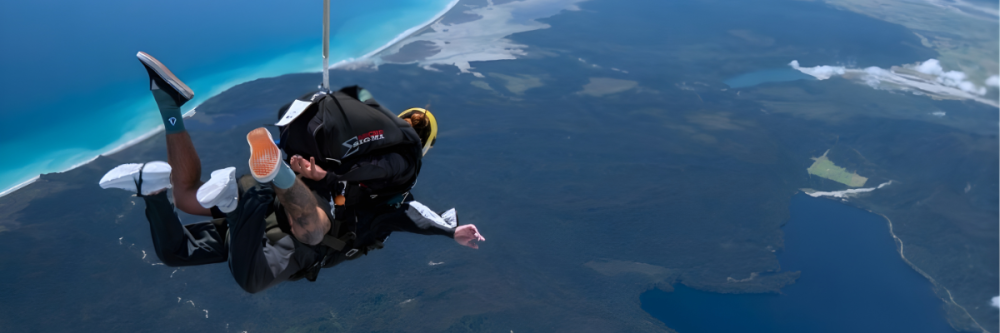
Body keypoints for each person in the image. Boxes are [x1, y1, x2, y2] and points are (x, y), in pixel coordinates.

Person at [98, 52, 485, 293]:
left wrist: (451, 230)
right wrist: (451, 231)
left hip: (267, 195)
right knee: (289, 249)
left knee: (177, 235)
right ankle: (248, 194)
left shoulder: (350, 154)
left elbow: (416, 214)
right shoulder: (394, 194)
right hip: (283, 208)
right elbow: (415, 214)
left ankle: (163, 134)